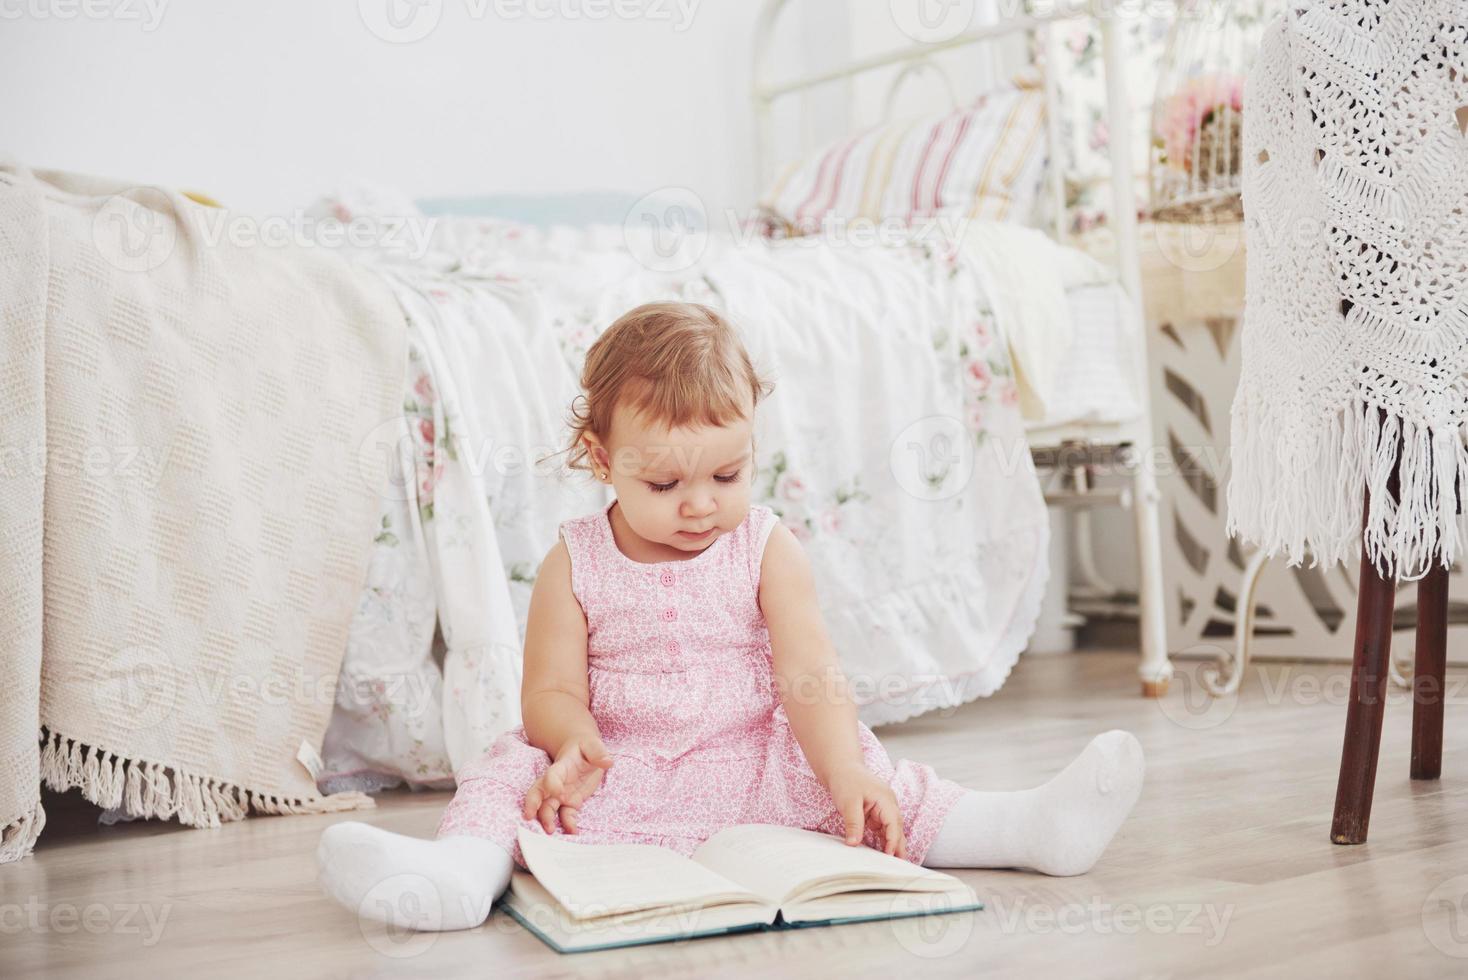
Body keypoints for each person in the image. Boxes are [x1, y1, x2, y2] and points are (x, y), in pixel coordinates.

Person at [316, 301, 1145, 932]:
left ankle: (1028, 828)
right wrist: (574, 742)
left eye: (727, 474)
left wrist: (846, 772)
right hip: (621, 772)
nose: (700, 506)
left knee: (872, 782)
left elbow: (810, 677)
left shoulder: (765, 548)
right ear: (602, 461)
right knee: (507, 776)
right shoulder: (575, 558)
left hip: (754, 760)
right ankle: (457, 878)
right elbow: (550, 690)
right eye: (665, 485)